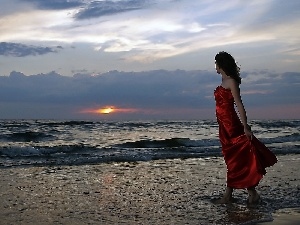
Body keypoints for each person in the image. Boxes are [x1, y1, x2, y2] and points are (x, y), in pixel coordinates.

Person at [213, 51, 277, 205]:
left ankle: (228, 196)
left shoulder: (232, 82)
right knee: (234, 159)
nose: (214, 66)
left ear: (221, 64)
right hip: (224, 126)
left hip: (231, 125)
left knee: (234, 160)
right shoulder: (224, 80)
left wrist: (245, 127)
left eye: (216, 63)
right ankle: (251, 193)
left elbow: (239, 104)